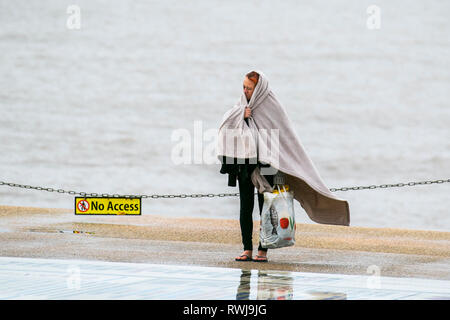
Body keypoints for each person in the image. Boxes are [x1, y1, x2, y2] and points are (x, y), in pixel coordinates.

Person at [235, 71, 274, 262]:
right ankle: (247, 249)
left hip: (267, 163)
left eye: (249, 88)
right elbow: (226, 125)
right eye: (243, 87)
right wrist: (240, 115)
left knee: (265, 208)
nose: (245, 91)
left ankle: (263, 250)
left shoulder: (270, 104)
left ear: (257, 89)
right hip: (245, 161)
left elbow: (282, 132)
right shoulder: (241, 104)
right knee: (245, 207)